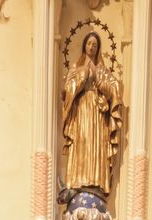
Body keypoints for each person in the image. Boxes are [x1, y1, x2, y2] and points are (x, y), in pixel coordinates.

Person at [62, 31, 123, 196]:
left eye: (95, 45)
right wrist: (82, 78)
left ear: (98, 49)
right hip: (81, 112)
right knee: (82, 143)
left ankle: (96, 182)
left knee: (96, 144)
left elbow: (114, 89)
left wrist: (97, 78)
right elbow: (67, 90)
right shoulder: (76, 67)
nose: (91, 47)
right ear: (84, 45)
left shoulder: (102, 70)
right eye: (89, 43)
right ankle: (77, 181)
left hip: (97, 114)